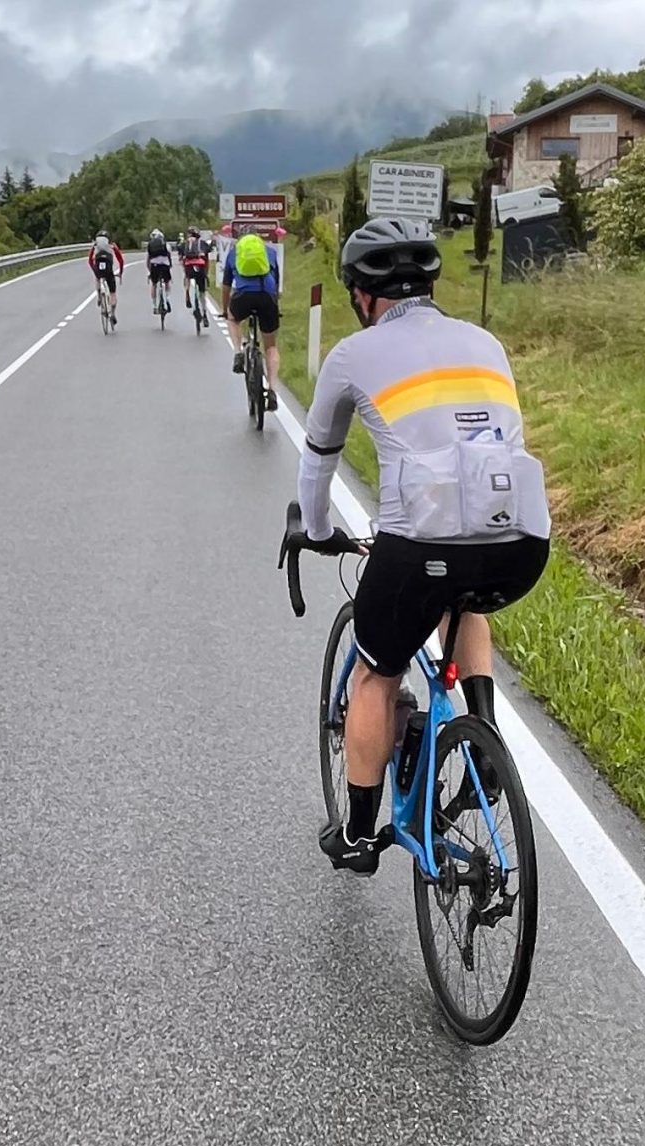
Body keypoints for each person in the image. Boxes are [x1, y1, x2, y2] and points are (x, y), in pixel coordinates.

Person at [297, 219, 551, 873]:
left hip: (421, 544)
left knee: (375, 675)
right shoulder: (485, 341)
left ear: (362, 295)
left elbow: (318, 461)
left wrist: (318, 531)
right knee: (463, 601)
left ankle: (358, 834)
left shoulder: (351, 355)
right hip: (520, 540)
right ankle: (483, 734)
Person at [221, 227, 282, 409]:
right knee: (270, 346)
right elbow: (276, 283)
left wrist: (225, 310)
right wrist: (275, 305)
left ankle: (238, 353)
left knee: (233, 319)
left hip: (244, 297)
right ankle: (272, 389)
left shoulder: (234, 252)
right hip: (267, 297)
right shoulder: (269, 252)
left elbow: (226, 286)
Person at [179, 228, 213, 320]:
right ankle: (204, 314)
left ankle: (187, 292)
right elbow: (207, 261)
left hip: (189, 268)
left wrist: (185, 271)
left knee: (187, 277)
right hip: (200, 268)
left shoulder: (184, 244)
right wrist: (206, 274)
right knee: (202, 293)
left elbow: (181, 260)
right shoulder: (202, 243)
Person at [88, 232, 120, 325]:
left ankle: (99, 296)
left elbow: (90, 260)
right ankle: (112, 313)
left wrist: (94, 271)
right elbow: (120, 260)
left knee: (97, 278)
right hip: (108, 268)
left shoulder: (95, 246)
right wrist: (120, 272)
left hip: (98, 265)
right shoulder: (112, 245)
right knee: (113, 293)